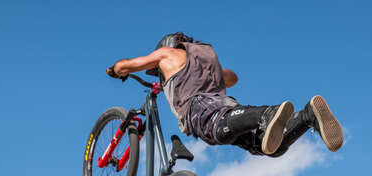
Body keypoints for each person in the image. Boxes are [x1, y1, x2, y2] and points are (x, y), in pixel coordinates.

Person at [108, 33, 342, 157]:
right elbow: (232, 78)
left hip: (198, 107)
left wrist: (116, 69)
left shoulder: (167, 54)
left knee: (218, 129)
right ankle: (307, 115)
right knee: (268, 147)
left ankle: (268, 113)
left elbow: (126, 65)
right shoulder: (204, 57)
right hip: (226, 105)